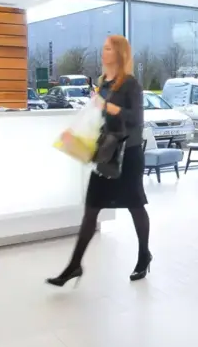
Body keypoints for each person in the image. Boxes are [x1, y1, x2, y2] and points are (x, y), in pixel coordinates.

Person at [47, 35, 152, 287]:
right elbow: (100, 116)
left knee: (135, 206)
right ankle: (74, 265)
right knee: (91, 210)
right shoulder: (105, 82)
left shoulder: (130, 84)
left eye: (108, 48)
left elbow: (136, 118)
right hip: (107, 153)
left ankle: (143, 255)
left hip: (128, 155)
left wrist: (110, 108)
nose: (103, 52)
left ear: (119, 54)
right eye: (103, 48)